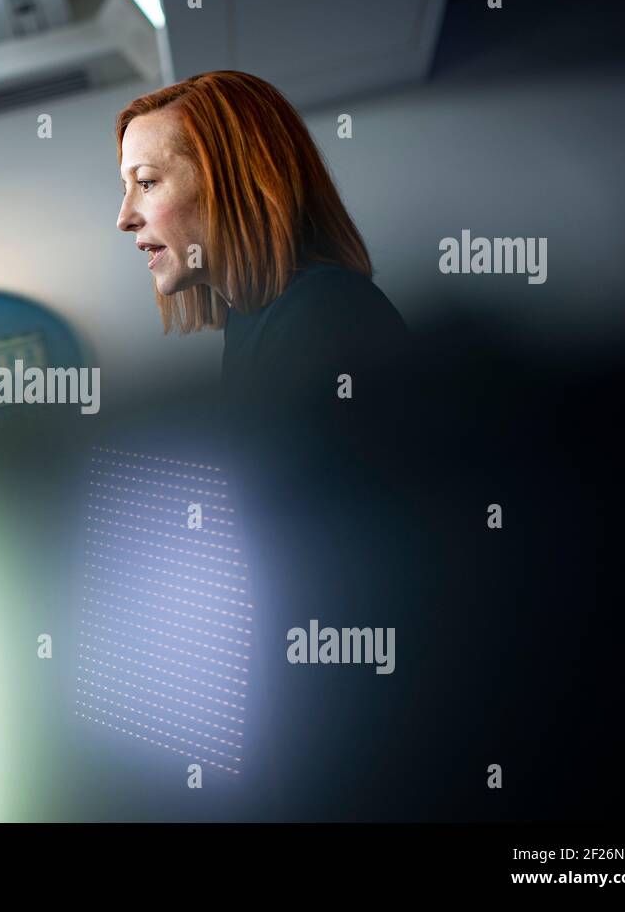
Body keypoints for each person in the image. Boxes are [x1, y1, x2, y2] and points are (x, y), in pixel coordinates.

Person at [113, 70, 431, 819]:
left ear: (235, 181)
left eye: (147, 182)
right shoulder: (258, 328)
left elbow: (355, 591)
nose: (125, 217)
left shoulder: (325, 319)